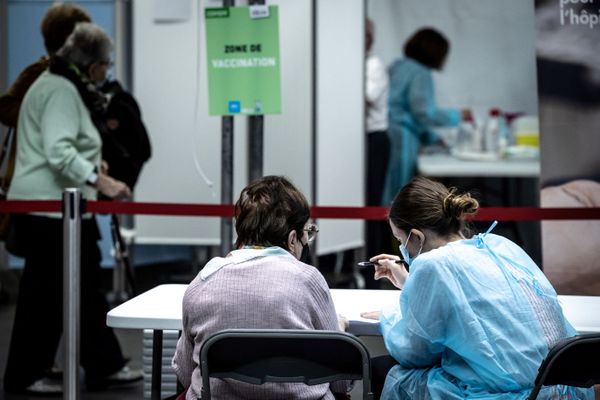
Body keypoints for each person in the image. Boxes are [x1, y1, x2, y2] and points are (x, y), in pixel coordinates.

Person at [3, 22, 142, 395]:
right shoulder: (62, 91)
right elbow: (58, 151)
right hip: (50, 210)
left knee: (75, 288)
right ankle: (28, 374)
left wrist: (91, 168)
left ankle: (101, 364)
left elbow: (62, 148)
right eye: (105, 64)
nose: (106, 72)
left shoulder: (57, 84)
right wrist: (103, 182)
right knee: (47, 295)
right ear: (91, 64)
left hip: (58, 208)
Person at [365, 176, 594, 399]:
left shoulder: (431, 264)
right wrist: (409, 284)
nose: (402, 250)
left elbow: (414, 352)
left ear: (416, 236)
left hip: (507, 395)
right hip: (567, 390)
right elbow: (471, 300)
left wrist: (390, 317)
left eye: (400, 239)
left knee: (389, 374)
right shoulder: (500, 245)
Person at [172, 175, 352, 400]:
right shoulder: (308, 280)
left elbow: (186, 372)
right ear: (293, 239)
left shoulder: (203, 282)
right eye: (308, 233)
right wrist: (340, 334)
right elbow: (341, 381)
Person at [383, 28, 471, 205]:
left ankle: (384, 231)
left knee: (385, 188)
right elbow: (423, 113)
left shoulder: (398, 66)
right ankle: (395, 232)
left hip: (387, 133)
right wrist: (458, 115)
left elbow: (407, 111)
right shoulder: (420, 73)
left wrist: (432, 138)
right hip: (401, 138)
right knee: (397, 194)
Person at [364, 18, 391, 288]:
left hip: (374, 139)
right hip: (353, 141)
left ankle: (372, 269)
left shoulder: (373, 65)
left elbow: (366, 95)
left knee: (372, 202)